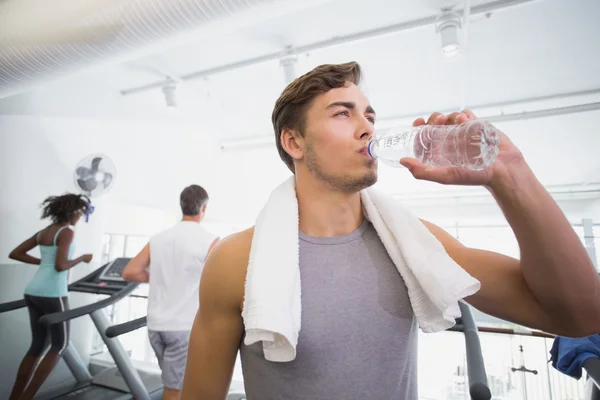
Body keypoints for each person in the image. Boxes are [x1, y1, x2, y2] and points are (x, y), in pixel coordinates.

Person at [181, 62, 600, 400]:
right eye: (343, 113)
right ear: (294, 142)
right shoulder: (237, 260)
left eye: (369, 115)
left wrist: (510, 174)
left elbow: (579, 316)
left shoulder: (414, 242)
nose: (367, 128)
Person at [122, 184, 219, 400]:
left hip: (157, 326)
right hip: (183, 328)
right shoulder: (209, 240)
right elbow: (217, 282)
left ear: (182, 206)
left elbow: (130, 272)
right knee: (174, 391)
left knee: (177, 384)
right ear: (203, 208)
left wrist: (156, 276)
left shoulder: (159, 238)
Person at [8, 193, 94, 400]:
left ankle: (15, 397)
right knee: (60, 345)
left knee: (38, 345)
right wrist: (82, 258)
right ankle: (27, 397)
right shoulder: (66, 233)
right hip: (53, 293)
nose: (80, 218)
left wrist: (42, 264)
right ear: (72, 212)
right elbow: (60, 265)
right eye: (80, 213)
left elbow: (15, 253)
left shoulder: (45, 231)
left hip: (33, 291)